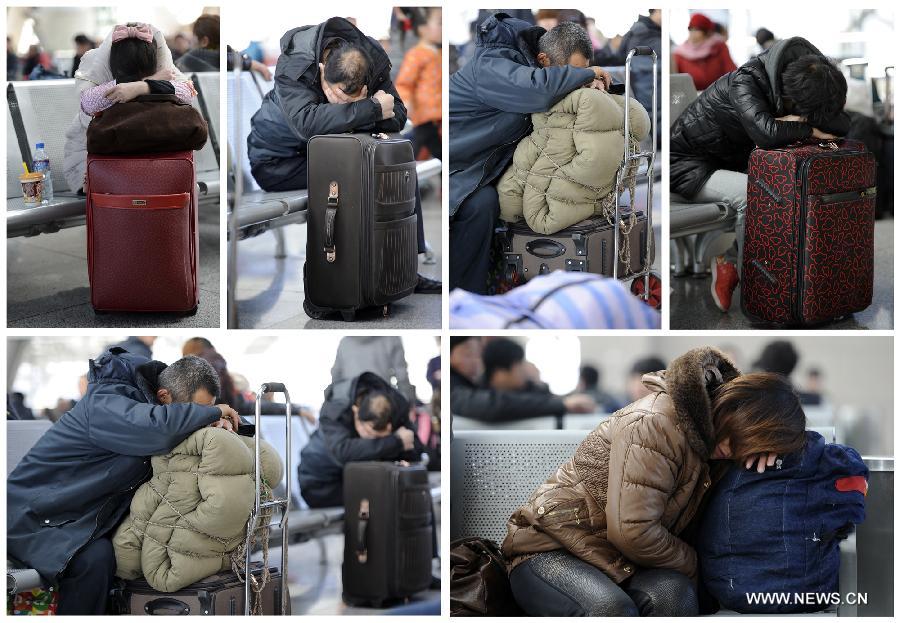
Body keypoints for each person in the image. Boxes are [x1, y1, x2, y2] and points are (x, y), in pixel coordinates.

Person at [502, 348, 807, 616]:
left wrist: (765, 459)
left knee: (675, 599)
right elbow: (634, 532)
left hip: (620, 560)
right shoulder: (656, 423)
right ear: (733, 410)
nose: (733, 449)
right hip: (550, 548)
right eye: (741, 439)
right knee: (610, 610)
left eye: (751, 447)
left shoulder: (721, 445)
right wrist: (696, 565)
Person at [6, 349, 240, 615]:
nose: (201, 417)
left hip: (76, 518)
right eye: (196, 410)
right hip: (34, 517)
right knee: (94, 561)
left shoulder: (149, 406)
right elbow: (157, 430)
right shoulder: (107, 404)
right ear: (163, 396)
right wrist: (214, 412)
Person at [247, 17, 440, 294]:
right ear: (323, 71)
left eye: (356, 97)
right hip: (279, 162)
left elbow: (397, 115)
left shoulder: (369, 59)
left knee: (396, 165)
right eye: (337, 95)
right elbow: (306, 126)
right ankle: (348, 276)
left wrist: (348, 112)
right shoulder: (295, 63)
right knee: (360, 175)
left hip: (328, 153)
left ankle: (405, 267)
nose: (343, 102)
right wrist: (369, 109)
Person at [670, 37, 849, 312]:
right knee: (754, 194)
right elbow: (767, 134)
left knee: (784, 191)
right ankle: (759, 290)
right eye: (799, 110)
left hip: (730, 162)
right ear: (790, 96)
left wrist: (796, 120)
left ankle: (729, 262)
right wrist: (809, 128)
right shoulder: (746, 81)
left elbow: (841, 123)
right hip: (687, 165)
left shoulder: (814, 79)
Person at [449, 13, 613, 294]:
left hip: (488, 166)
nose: (575, 82)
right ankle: (464, 297)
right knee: (481, 205)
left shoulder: (526, 66)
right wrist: (587, 74)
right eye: (570, 73)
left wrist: (595, 83)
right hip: (462, 168)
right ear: (543, 61)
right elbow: (538, 90)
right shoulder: (492, 66)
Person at [63, 23, 192, 193]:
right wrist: (148, 81)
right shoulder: (96, 65)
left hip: (138, 161)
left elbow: (188, 92)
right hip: (98, 167)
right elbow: (88, 102)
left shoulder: (163, 65)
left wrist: (142, 86)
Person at [297, 372, 422, 507]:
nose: (373, 439)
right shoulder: (335, 408)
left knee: (399, 490)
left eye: (381, 436)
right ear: (355, 412)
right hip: (320, 483)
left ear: (389, 426)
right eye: (369, 431)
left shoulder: (397, 406)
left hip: (356, 475)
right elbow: (343, 452)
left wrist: (404, 445)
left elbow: (416, 449)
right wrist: (396, 442)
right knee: (383, 496)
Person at [449, 336, 594, 422]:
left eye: (477, 355)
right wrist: (563, 404)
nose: (476, 361)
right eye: (468, 354)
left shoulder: (521, 389)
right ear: (500, 372)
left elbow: (539, 397)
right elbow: (497, 405)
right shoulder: (458, 390)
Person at [594, 9, 662, 139]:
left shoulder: (642, 30)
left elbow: (619, 56)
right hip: (647, 94)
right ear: (656, 11)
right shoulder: (645, 32)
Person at [395, 7, 442, 160]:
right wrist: (407, 102)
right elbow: (403, 84)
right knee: (411, 149)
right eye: (440, 23)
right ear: (423, 28)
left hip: (438, 118)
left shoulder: (440, 53)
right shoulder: (416, 54)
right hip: (424, 117)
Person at [330, 336, 413, 401]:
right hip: (380, 402)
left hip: (350, 400)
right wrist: (408, 399)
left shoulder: (345, 342)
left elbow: (336, 374)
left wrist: (332, 396)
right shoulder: (391, 338)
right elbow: (401, 374)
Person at [672, 13, 736, 91]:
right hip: (691, 97)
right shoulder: (679, 53)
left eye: (697, 29)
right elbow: (675, 81)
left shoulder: (719, 47)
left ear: (707, 32)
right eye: (691, 29)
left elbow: (731, 72)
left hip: (718, 95)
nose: (693, 33)